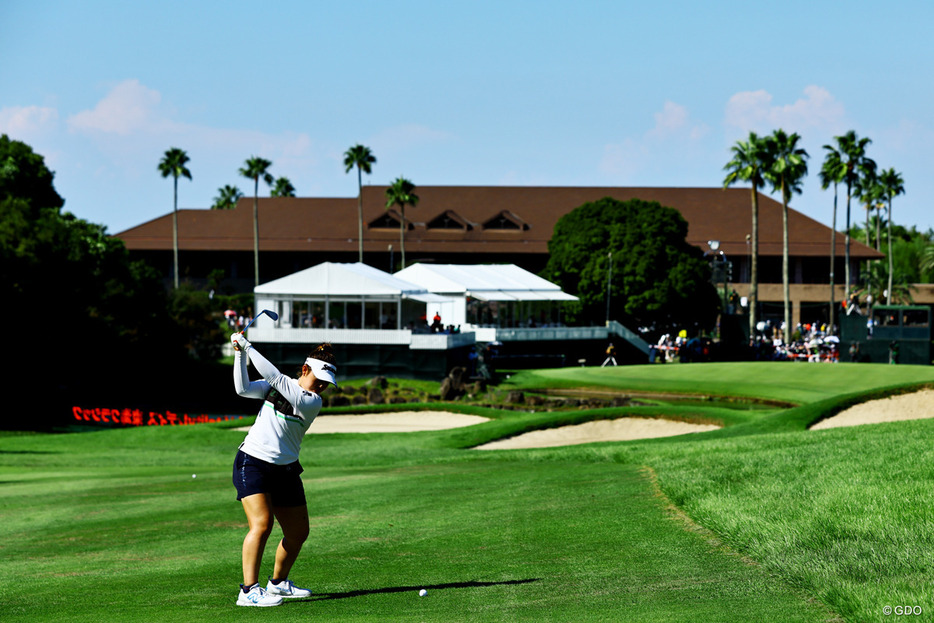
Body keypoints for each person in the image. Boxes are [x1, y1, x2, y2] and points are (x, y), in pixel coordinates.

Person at [230, 332, 338, 607]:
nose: (323, 387)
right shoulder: (279, 387)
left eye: (327, 384)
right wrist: (240, 354)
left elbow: (275, 378)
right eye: (320, 380)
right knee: (262, 524)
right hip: (253, 461)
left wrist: (248, 346)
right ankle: (249, 590)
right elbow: (242, 389)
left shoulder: (312, 401)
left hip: (286, 470)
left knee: (298, 532)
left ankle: (277, 584)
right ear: (304, 369)